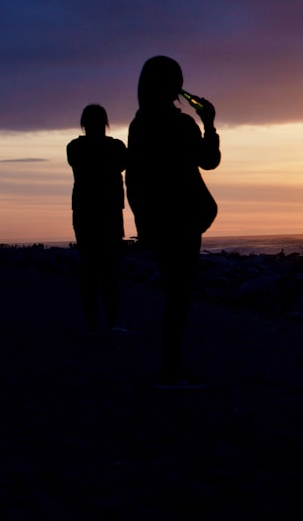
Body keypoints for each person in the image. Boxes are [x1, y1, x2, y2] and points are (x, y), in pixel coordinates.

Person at [126, 56, 220, 390]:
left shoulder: (139, 125)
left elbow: (134, 180)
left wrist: (142, 224)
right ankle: (171, 370)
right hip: (183, 218)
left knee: (174, 292)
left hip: (158, 220)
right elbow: (209, 161)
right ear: (173, 86)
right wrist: (209, 123)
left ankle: (171, 366)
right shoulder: (180, 125)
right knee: (180, 295)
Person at [66, 104, 128, 333]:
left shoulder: (74, 147)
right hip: (109, 213)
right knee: (109, 270)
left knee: (90, 269)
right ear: (105, 122)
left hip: (85, 213)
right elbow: (124, 163)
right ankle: (111, 321)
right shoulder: (115, 147)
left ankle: (93, 321)